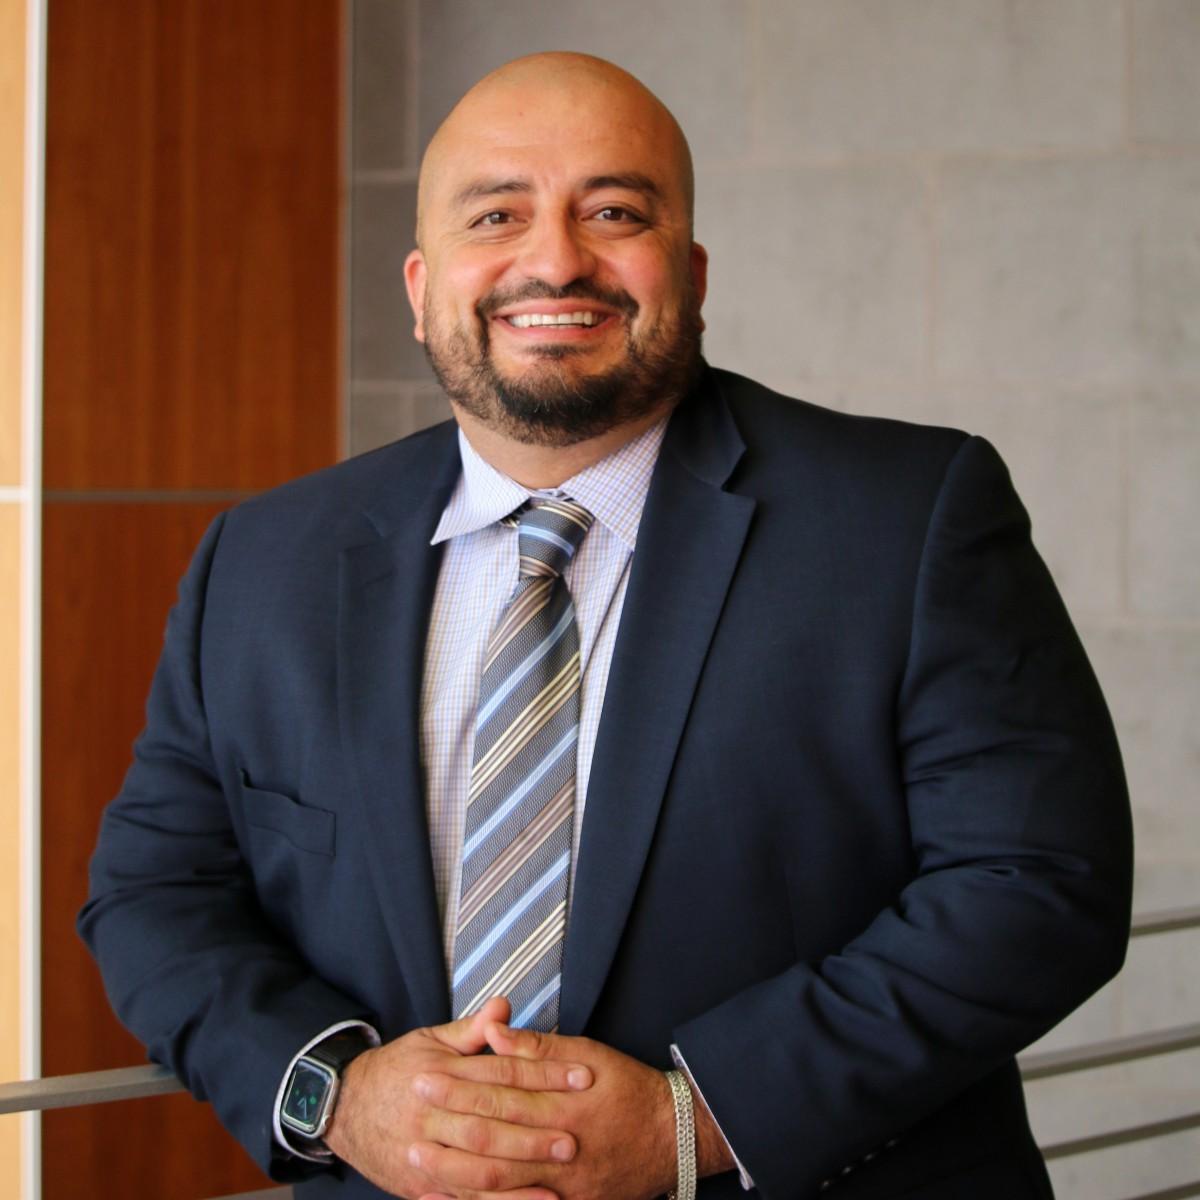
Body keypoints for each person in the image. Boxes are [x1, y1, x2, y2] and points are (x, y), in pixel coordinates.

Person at [81, 52, 1133, 1200]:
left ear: (689, 269)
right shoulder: (264, 560)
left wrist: (697, 1121)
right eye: (499, 213)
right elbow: (154, 894)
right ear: (422, 286)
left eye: (614, 210)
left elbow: (1037, 882)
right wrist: (337, 1093)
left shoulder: (910, 517)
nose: (555, 259)